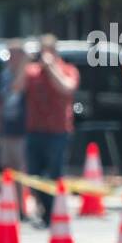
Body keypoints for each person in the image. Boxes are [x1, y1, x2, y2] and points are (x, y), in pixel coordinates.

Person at [24, 34, 79, 227]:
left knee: (54, 174)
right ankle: (45, 210)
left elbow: (67, 88)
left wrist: (51, 68)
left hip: (58, 131)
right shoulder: (32, 72)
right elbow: (16, 88)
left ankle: (52, 213)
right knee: (34, 175)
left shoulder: (67, 70)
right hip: (35, 130)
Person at [0, 40, 30, 214]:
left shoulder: (29, 74)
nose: (9, 58)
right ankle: (12, 205)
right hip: (7, 129)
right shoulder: (4, 75)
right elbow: (0, 104)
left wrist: (24, 64)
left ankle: (24, 208)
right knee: (8, 170)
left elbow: (18, 87)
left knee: (23, 171)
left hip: (24, 130)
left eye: (13, 54)